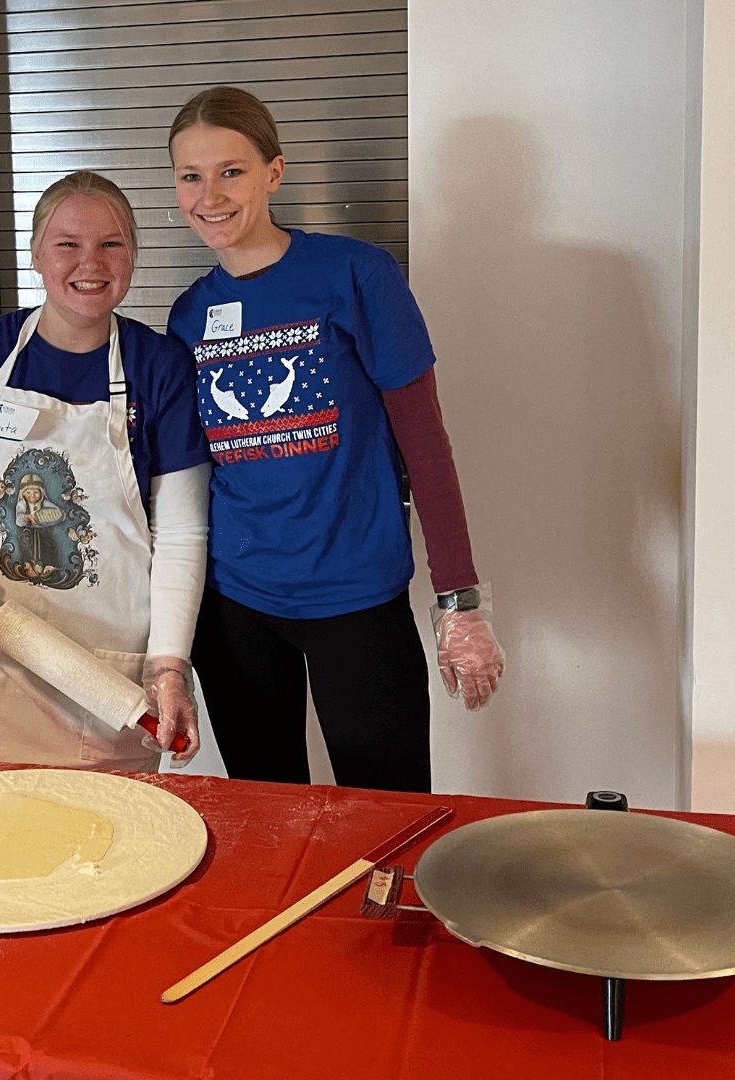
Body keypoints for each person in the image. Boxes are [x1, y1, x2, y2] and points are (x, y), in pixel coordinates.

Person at [165, 87, 504, 792]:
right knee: (269, 815)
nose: (210, 195)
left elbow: (426, 444)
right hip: (234, 607)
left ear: (274, 173)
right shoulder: (190, 315)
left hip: (357, 595)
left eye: (231, 171)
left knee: (389, 817)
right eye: (191, 175)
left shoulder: (356, 274)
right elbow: (184, 479)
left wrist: (459, 599)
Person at [0, 171, 211, 769]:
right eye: (68, 244)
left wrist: (169, 664)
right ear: (35, 254)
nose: (92, 262)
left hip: (111, 682)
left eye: (112, 243)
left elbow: (183, 533)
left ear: (132, 255)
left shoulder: (159, 367)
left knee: (108, 851)